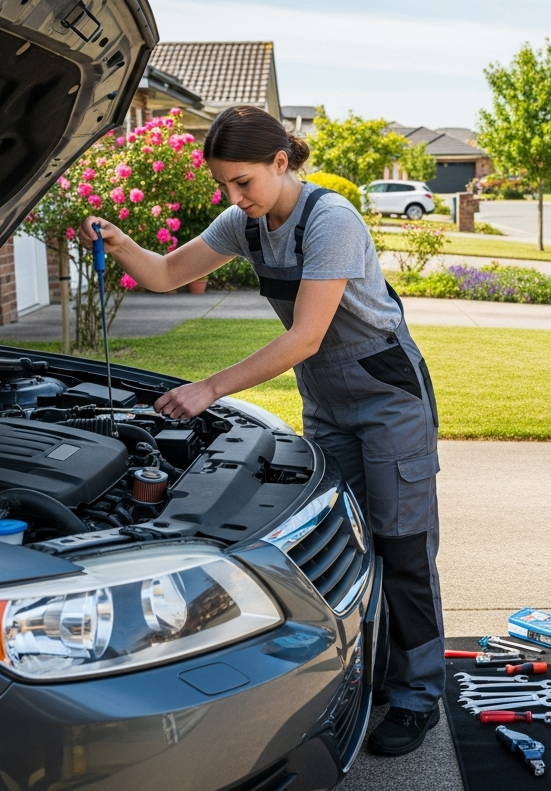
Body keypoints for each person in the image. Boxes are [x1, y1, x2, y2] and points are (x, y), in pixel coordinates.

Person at [77, 105, 445, 755]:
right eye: (224, 185)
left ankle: (418, 696)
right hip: (329, 399)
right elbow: (164, 274)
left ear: (281, 162)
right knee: (346, 542)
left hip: (387, 397)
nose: (234, 197)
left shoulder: (330, 221)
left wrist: (210, 387)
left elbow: (305, 337)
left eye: (243, 181)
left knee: (404, 546)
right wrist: (120, 242)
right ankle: (374, 671)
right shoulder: (245, 223)